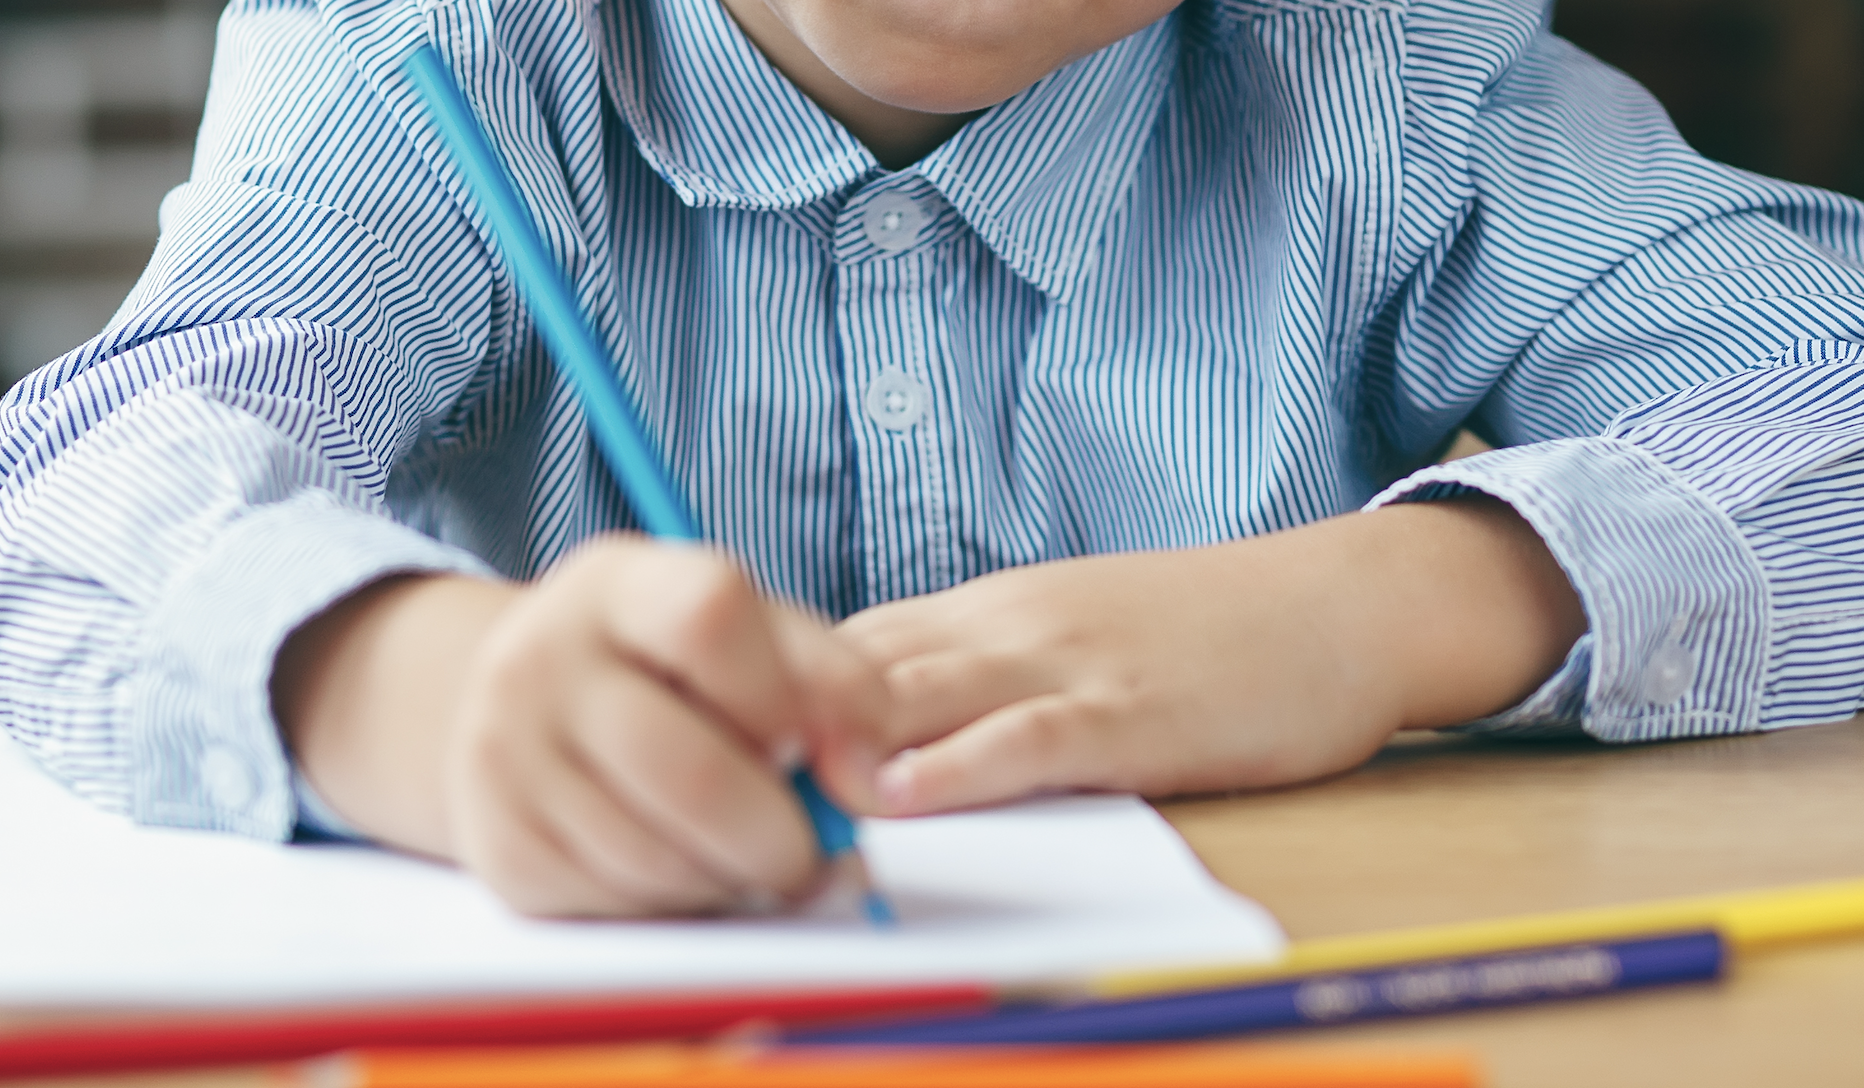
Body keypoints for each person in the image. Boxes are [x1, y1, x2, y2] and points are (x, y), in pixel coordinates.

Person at [2, 0, 1862, 919]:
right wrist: (397, 680)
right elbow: (95, 482)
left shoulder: (1388, 67)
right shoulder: (434, 46)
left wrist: (1398, 603)